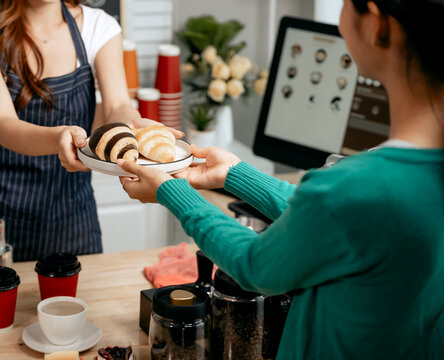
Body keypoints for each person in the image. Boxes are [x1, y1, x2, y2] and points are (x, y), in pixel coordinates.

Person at [117, 0, 444, 358]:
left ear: (377, 25)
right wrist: (237, 176)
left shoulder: (353, 186)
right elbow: (337, 220)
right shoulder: (389, 182)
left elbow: (256, 264)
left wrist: (172, 191)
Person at [0, 0, 180, 267]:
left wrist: (137, 127)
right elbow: (4, 125)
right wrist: (60, 138)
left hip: (73, 215)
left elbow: (117, 105)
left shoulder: (98, 26)